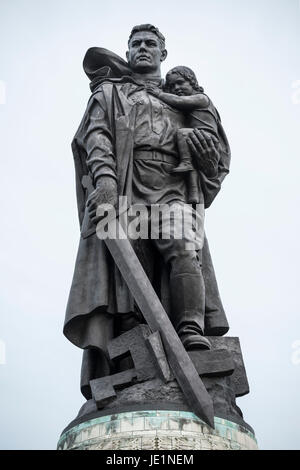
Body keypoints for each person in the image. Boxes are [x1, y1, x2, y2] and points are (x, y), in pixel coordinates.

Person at [64, 24, 231, 399]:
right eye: (136, 44)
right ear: (127, 52)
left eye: (150, 44)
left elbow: (216, 153)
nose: (143, 48)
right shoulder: (110, 93)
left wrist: (207, 162)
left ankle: (190, 330)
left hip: (173, 184)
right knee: (129, 272)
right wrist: (105, 180)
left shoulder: (187, 96)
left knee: (183, 249)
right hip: (127, 186)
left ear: (162, 53)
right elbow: (96, 136)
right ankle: (135, 348)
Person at [146, 66, 221, 204]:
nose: (176, 88)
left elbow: (179, 101)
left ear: (192, 82)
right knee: (192, 168)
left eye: (180, 83)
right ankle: (193, 194)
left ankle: (185, 161)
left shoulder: (201, 98)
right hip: (196, 136)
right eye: (172, 85)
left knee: (182, 133)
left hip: (205, 137)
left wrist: (159, 93)